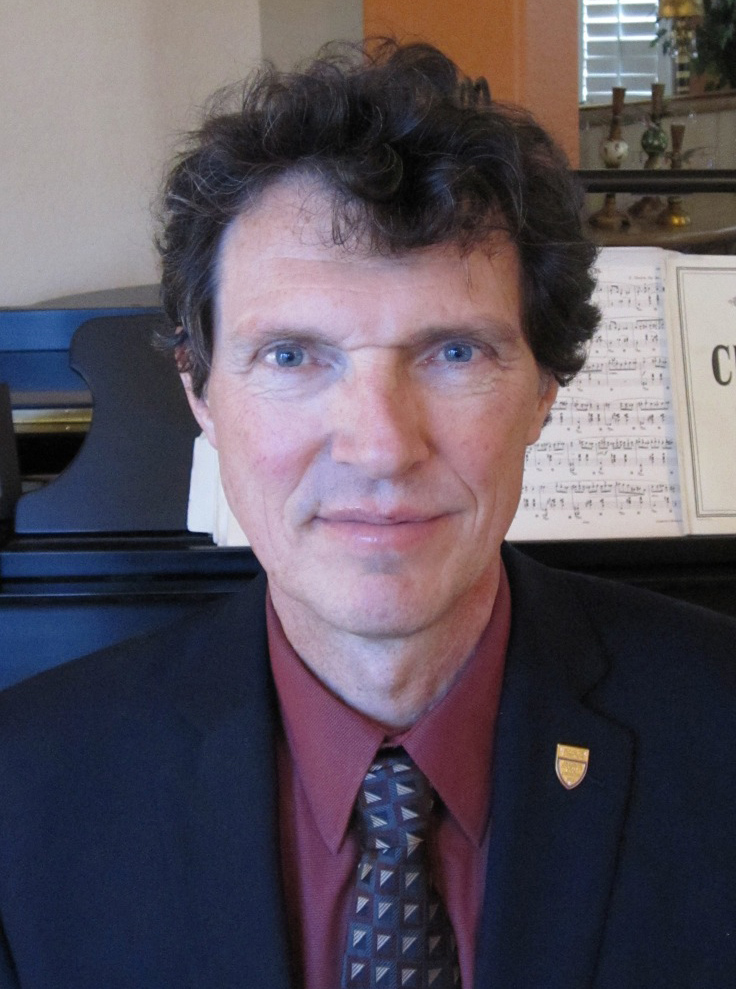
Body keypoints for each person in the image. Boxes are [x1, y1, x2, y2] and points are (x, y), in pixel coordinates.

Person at [0, 41, 734, 989]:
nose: (381, 446)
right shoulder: (23, 788)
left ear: (545, 389)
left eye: (455, 353)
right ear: (200, 393)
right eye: (292, 356)